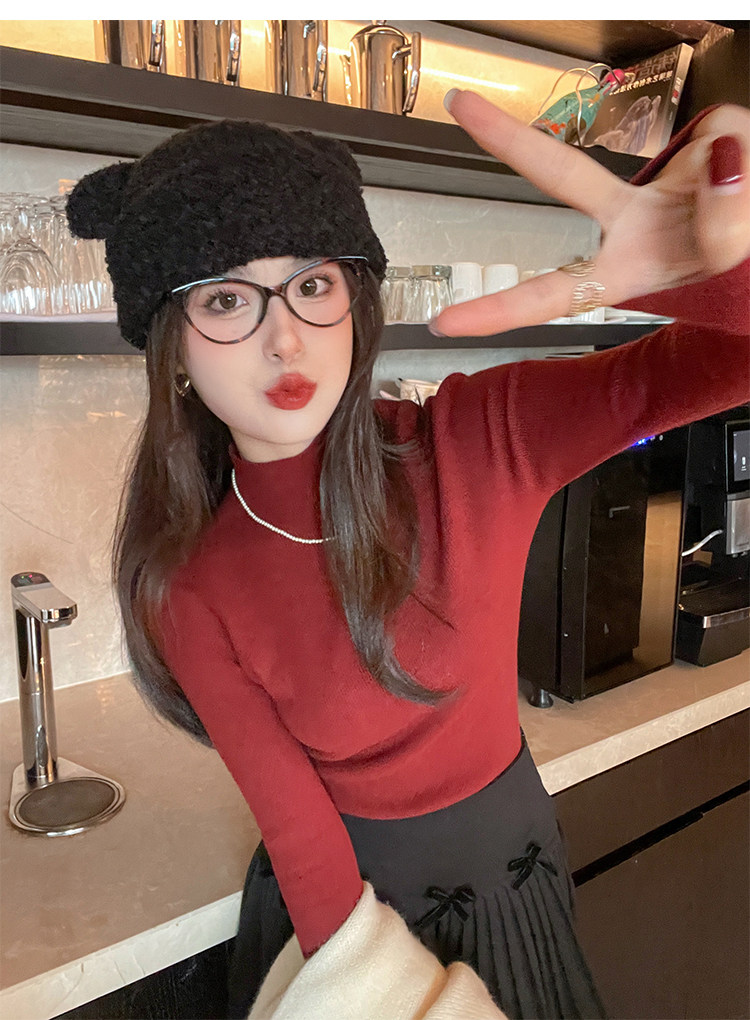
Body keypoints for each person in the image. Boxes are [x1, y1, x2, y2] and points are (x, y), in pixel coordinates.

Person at [66, 89, 750, 1020]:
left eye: (313, 285)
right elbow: (301, 840)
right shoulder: (187, 583)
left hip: (518, 885)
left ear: (356, 301)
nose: (285, 336)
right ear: (171, 348)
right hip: (345, 945)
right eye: (227, 299)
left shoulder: (474, 438)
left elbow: (715, 365)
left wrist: (700, 273)